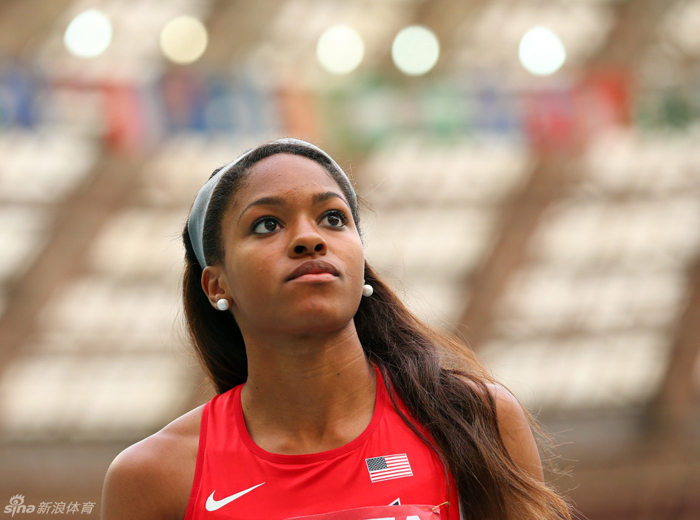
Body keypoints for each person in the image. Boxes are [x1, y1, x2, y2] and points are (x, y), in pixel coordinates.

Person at [101, 138, 572, 520]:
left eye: (332, 218)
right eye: (267, 225)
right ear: (216, 284)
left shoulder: (471, 420)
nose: (310, 238)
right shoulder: (154, 476)